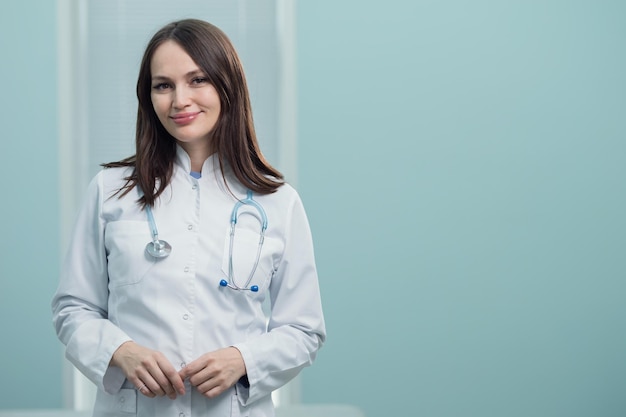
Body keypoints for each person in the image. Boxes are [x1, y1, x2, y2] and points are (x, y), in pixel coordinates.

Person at [52, 18, 325, 417]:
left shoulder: (279, 202)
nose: (179, 100)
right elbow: (72, 309)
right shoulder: (110, 190)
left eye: (197, 80)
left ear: (227, 87)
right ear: (149, 97)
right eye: (163, 85)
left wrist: (243, 359)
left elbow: (304, 330)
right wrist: (120, 351)